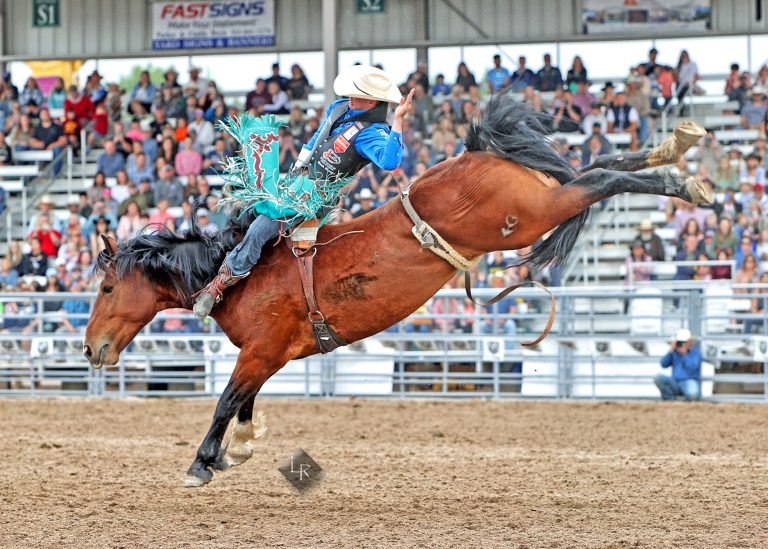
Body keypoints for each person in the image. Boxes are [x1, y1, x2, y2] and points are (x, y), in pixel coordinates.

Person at [193, 65, 413, 318]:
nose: (350, 99)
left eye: (357, 96)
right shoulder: (339, 109)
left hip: (317, 197)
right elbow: (316, 139)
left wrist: (398, 121)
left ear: (372, 100)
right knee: (246, 209)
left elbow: (390, 162)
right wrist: (297, 170)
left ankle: (218, 287)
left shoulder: (373, 133)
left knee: (259, 228)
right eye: (351, 94)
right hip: (298, 182)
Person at [654, 328, 702, 401]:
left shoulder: (695, 353)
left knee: (693, 394)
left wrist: (684, 355)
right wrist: (670, 350)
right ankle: (670, 400)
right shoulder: (674, 353)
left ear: (689, 342)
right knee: (658, 377)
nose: (681, 344)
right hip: (674, 381)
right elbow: (663, 364)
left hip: (689, 381)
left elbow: (693, 368)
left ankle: (688, 406)